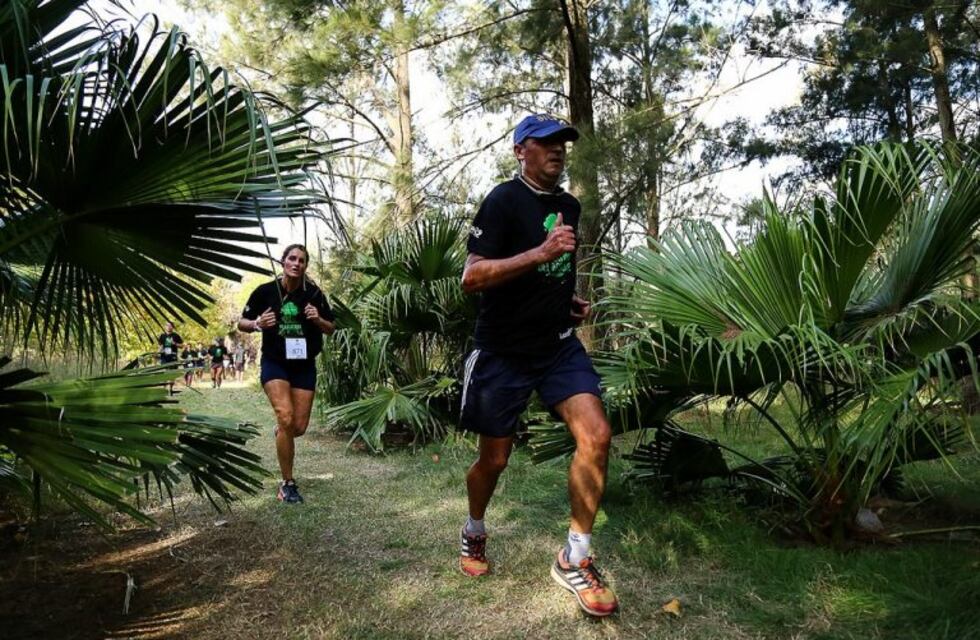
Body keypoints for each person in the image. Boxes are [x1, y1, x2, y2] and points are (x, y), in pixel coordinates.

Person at [457, 114, 618, 616]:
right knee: (495, 460)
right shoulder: (503, 201)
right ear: (520, 150)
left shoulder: (570, 205)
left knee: (597, 434)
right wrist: (538, 252)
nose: (558, 151)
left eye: (563, 144)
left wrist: (566, 302)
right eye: (546, 143)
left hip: (556, 346)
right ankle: (474, 530)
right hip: (503, 351)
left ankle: (575, 556)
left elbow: (555, 271)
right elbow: (472, 277)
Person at [238, 244, 335, 504]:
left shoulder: (313, 293)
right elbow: (242, 323)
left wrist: (317, 319)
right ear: (283, 262)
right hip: (275, 362)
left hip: (304, 365)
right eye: (292, 258)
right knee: (286, 416)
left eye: (302, 260)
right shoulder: (265, 291)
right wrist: (258, 323)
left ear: (305, 266)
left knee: (298, 428)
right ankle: (287, 484)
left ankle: (282, 433)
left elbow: (331, 328)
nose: (297, 263)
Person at [157, 321, 183, 395]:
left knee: (172, 373)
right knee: (164, 372)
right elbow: (161, 346)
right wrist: (157, 353)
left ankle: (170, 389)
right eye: (167, 325)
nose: (168, 327)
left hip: (173, 356)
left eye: (170, 325)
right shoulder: (162, 336)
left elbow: (181, 346)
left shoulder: (176, 336)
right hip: (164, 356)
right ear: (165, 327)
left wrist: (174, 343)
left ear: (172, 327)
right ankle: (164, 389)